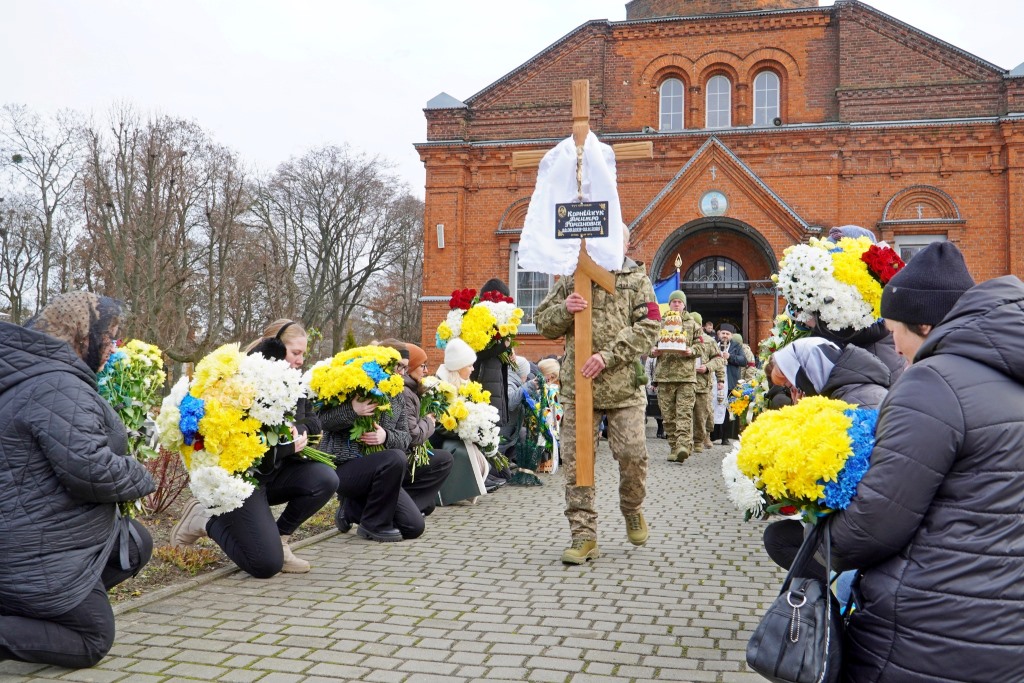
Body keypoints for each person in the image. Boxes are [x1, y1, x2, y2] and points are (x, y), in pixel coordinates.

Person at [826, 242, 1024, 681]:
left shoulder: (932, 382)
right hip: (1007, 631)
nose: (894, 346)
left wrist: (817, 547)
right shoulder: (1011, 368)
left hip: (928, 630)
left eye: (895, 329)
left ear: (927, 323)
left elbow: (878, 522)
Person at [1, 292, 155, 669]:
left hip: (32, 533)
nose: (113, 348)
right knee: (92, 639)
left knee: (135, 542)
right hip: (33, 546)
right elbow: (91, 470)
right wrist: (139, 471)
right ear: (83, 336)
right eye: (109, 337)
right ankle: (33, 613)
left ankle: (33, 613)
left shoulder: (32, 373)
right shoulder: (57, 385)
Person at [171, 319, 340, 575]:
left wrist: (298, 431)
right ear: (274, 347)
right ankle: (203, 518)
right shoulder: (238, 380)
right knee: (264, 565)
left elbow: (312, 420)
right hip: (242, 479)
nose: (300, 360)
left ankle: (280, 540)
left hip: (275, 471)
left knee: (325, 478)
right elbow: (235, 438)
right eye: (296, 353)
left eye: (303, 354)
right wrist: (283, 444)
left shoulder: (293, 381)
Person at [534, 229, 661, 564]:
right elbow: (542, 322)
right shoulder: (575, 276)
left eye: (612, 239)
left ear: (625, 243)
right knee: (578, 464)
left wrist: (608, 355)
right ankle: (583, 535)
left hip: (623, 388)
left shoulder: (637, 280)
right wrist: (564, 309)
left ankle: (632, 508)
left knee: (633, 454)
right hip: (579, 388)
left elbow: (650, 329)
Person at [759, 336, 891, 579]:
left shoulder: (859, 399)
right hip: (854, 519)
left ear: (808, 373)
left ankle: (833, 597)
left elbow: (859, 477)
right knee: (777, 537)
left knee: (781, 540)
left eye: (792, 386)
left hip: (865, 527)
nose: (793, 394)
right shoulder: (839, 392)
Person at [319, 346, 417, 543]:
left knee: (413, 527)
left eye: (403, 368)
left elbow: (406, 438)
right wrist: (353, 409)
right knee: (395, 458)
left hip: (380, 472)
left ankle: (351, 509)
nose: (401, 372)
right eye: (397, 366)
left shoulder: (396, 394)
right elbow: (322, 422)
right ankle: (373, 525)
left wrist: (385, 436)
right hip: (343, 468)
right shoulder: (349, 387)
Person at [394, 341, 454, 519]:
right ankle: (399, 509)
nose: (427, 370)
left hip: (405, 452)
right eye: (422, 365)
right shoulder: (405, 392)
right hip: (401, 454)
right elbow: (414, 436)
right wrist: (429, 421)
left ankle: (404, 506)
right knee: (444, 459)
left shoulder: (412, 389)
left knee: (428, 505)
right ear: (410, 367)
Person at [432, 337, 493, 502]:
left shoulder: (465, 384)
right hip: (439, 440)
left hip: (454, 436)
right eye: (469, 365)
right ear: (458, 367)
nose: (473, 369)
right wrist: (464, 431)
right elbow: (438, 425)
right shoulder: (440, 387)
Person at [653, 290, 701, 463]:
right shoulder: (660, 323)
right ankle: (674, 446)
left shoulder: (693, 324)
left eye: (679, 302)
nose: (676, 304)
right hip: (664, 376)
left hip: (686, 376)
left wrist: (692, 350)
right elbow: (649, 344)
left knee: (684, 413)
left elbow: (701, 345)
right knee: (667, 416)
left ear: (684, 304)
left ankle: (683, 445)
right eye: (673, 301)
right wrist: (653, 351)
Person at [470, 278, 512, 426]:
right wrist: (502, 347)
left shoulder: (498, 322)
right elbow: (475, 356)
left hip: (495, 387)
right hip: (484, 390)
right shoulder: (474, 323)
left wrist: (506, 349)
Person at [689, 312, 725, 454]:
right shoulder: (683, 340)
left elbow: (719, 361)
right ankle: (690, 440)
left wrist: (719, 377)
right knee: (686, 413)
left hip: (703, 383)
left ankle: (706, 435)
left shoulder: (709, 341)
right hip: (685, 382)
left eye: (696, 324)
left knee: (704, 413)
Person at [715, 323, 747, 444]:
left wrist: (730, 357)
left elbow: (743, 361)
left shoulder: (737, 346)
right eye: (723, 333)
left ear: (731, 335)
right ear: (719, 334)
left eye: (727, 334)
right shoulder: (714, 345)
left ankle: (725, 437)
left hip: (731, 381)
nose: (725, 336)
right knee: (715, 407)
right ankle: (713, 436)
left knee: (729, 411)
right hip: (716, 382)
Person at [643, 349, 664, 439]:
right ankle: (660, 426)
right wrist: (650, 385)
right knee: (656, 408)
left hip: (666, 385)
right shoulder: (651, 357)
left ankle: (667, 428)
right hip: (654, 386)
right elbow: (647, 372)